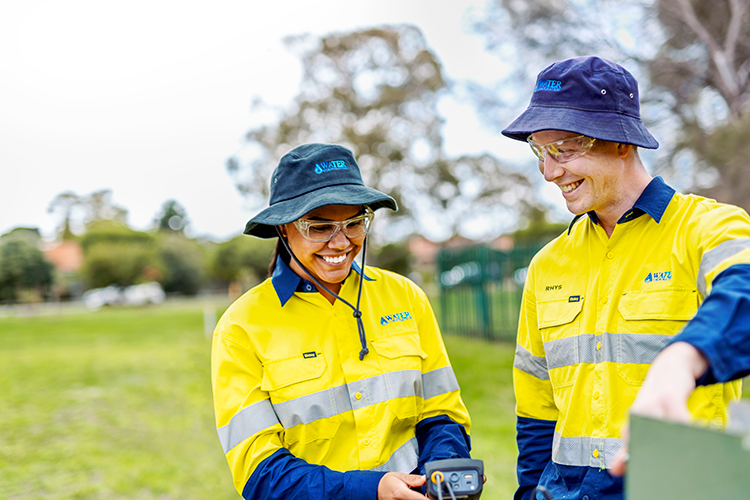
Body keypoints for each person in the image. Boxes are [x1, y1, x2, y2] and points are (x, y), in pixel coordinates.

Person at [500, 55, 750, 500]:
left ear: (620, 142)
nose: (549, 170)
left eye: (564, 148)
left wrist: (683, 360)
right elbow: (536, 408)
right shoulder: (546, 265)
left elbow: (743, 292)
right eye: (540, 149)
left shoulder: (709, 228)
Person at [210, 143, 473, 500]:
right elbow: (260, 472)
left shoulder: (406, 297)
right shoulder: (240, 328)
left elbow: (442, 412)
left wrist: (441, 473)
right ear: (283, 228)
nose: (341, 242)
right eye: (319, 227)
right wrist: (372, 491)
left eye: (354, 223)